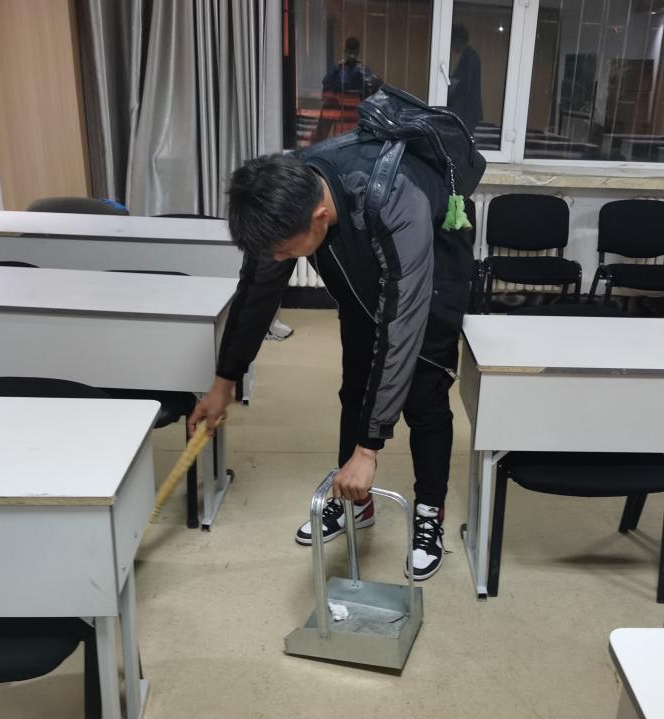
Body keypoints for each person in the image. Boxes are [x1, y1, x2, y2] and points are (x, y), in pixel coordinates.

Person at [188, 140, 473, 581]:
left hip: (430, 277)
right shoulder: (286, 199)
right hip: (361, 273)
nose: (280, 259)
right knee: (356, 386)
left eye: (286, 251)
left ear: (319, 217)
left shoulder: (398, 197)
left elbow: (401, 327)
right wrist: (224, 383)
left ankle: (429, 513)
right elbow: (257, 292)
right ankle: (355, 503)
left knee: (425, 398)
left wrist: (369, 449)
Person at [447, 25, 482, 134]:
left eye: (452, 43)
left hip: (466, 111)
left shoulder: (470, 58)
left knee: (463, 138)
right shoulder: (468, 56)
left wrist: (452, 90)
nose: (452, 47)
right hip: (466, 110)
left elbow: (466, 86)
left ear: (458, 41)